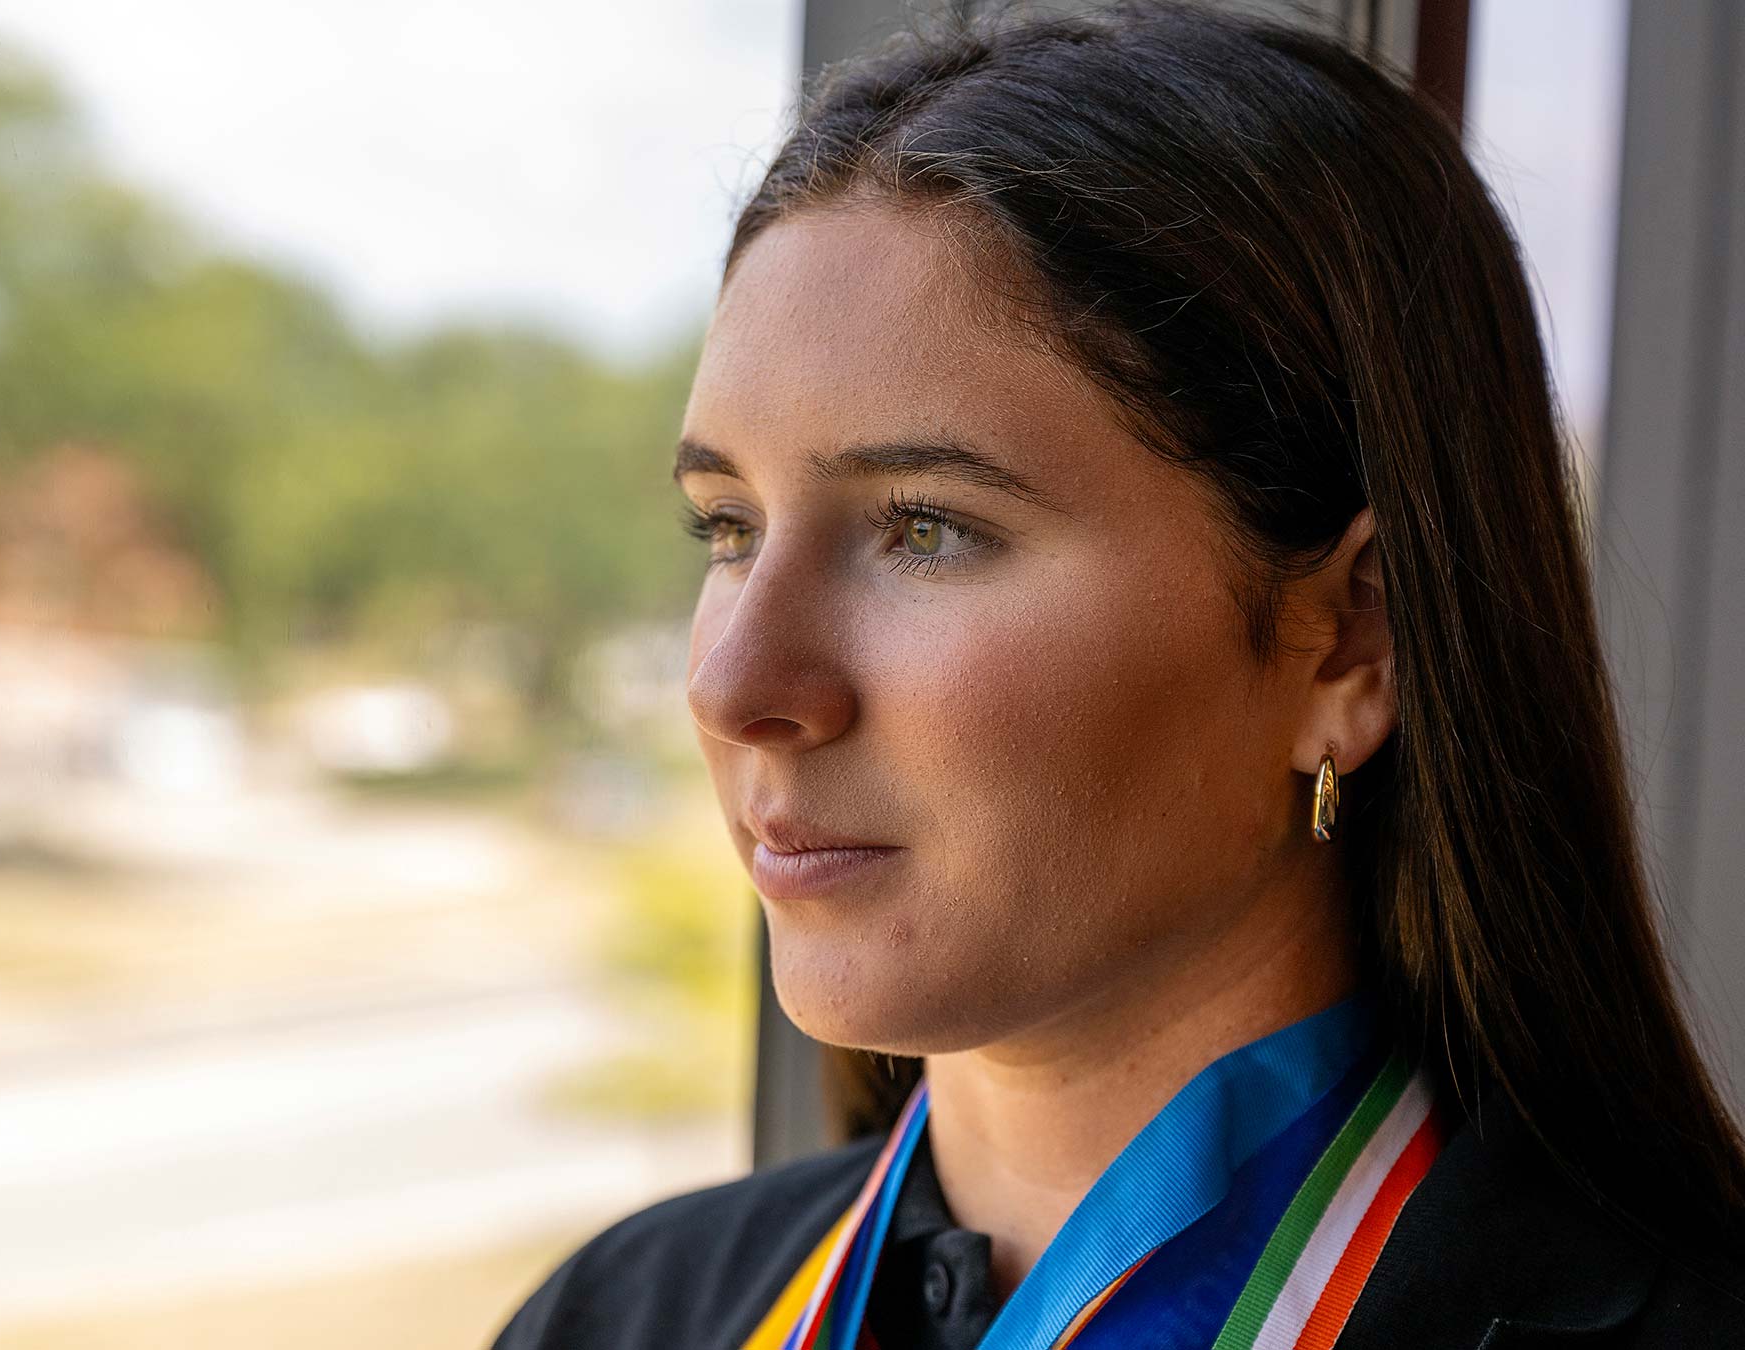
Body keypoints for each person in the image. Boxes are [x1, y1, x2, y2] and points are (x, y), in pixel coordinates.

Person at [486, 5, 1745, 1348]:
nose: (735, 686)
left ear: (1352, 639)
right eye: (728, 528)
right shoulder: (617, 1313)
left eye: (927, 526)